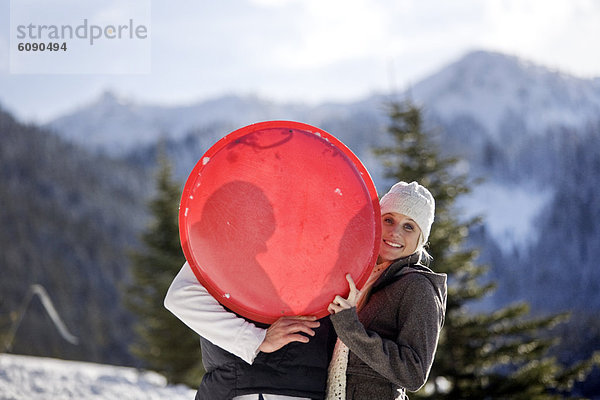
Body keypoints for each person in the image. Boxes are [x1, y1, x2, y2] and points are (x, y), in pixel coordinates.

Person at [326, 181, 447, 400]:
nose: (394, 233)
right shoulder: (363, 277)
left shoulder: (418, 287)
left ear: (421, 239)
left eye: (409, 226)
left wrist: (350, 326)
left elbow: (414, 373)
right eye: (388, 220)